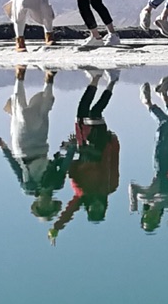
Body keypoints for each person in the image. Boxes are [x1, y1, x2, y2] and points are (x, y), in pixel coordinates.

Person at [47, 70, 122, 239]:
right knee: (95, 112)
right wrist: (113, 144)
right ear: (104, 207)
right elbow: (113, 164)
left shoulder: (82, 195)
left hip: (83, 145)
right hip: (99, 146)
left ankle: (95, 78)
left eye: (93, 210)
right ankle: (112, 80)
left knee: (81, 111)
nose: (96, 207)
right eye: (99, 210)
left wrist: (57, 227)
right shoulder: (109, 187)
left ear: (88, 208)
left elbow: (70, 210)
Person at [0, 66, 65, 224]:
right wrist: (70, 148)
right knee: (43, 113)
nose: (45, 205)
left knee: (21, 114)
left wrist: (5, 151)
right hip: (41, 146)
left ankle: (19, 77)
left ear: (38, 205)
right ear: (53, 204)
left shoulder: (28, 188)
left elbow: (17, 169)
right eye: (49, 208)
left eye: (43, 208)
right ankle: (49, 79)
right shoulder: (56, 183)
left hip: (23, 149)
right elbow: (63, 165)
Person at [129, 77, 168, 232]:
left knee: (166, 124)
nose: (151, 216)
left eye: (147, 218)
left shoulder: (147, 197)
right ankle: (163, 94)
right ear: (158, 218)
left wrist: (133, 203)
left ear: (144, 215)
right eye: (153, 220)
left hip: (163, 161)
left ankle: (147, 103)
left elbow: (132, 186)